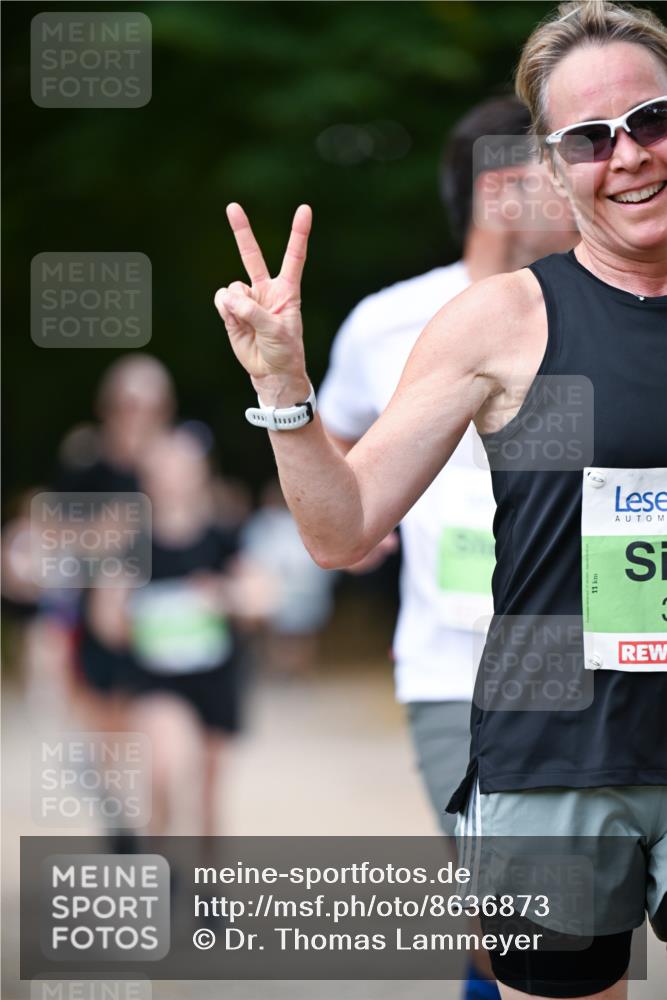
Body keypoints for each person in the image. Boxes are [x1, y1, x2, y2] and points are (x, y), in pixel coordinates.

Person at [215, 1, 667, 995]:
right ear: (552, 170)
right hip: (559, 748)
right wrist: (282, 388)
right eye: (590, 137)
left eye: (651, 120)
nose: (628, 154)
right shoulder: (494, 323)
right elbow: (341, 530)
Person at [317, 94, 577, 1000]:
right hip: (448, 665)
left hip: (585, 658)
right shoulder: (390, 322)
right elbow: (339, 442)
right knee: (502, 909)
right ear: (504, 191)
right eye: (560, 165)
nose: (590, 181)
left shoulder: (600, 311)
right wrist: (359, 515)